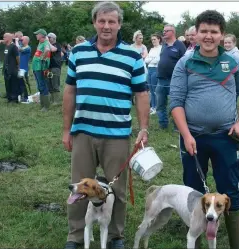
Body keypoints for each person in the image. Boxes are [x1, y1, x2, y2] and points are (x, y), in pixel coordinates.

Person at [62, 2, 149, 249]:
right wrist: (66, 130)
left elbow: (142, 94)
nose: (106, 26)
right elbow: (70, 91)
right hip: (83, 132)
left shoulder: (132, 55)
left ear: (119, 24)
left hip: (117, 135)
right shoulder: (78, 52)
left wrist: (144, 128)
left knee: (117, 190)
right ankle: (77, 236)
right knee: (80, 187)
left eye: (112, 21)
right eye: (102, 21)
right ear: (94, 23)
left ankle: (114, 236)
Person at [169, 10, 239, 249]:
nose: (208, 36)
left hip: (226, 137)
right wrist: (186, 135)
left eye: (213, 32)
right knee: (194, 190)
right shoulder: (184, 63)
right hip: (192, 137)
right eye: (203, 31)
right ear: (195, 34)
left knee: (230, 190)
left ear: (222, 35)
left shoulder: (234, 62)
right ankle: (194, 239)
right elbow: (175, 102)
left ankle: (235, 243)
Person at [156, 24, 186, 129]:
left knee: (176, 104)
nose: (163, 32)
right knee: (160, 104)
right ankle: (163, 124)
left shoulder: (180, 45)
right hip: (161, 79)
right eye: (163, 30)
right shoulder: (164, 45)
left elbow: (184, 62)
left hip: (174, 80)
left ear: (172, 32)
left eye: (166, 31)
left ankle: (177, 126)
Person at [32, 28, 52, 111]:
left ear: (41, 35)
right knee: (40, 86)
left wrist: (42, 58)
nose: (36, 35)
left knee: (42, 85)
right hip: (36, 67)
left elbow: (47, 49)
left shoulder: (45, 43)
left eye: (37, 34)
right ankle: (42, 104)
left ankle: (46, 106)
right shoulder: (40, 42)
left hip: (41, 68)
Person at [144, 33, 162, 115]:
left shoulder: (161, 48)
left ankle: (156, 107)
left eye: (154, 39)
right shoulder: (151, 49)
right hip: (149, 69)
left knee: (155, 90)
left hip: (156, 69)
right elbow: (146, 60)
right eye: (152, 40)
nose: (153, 41)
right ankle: (152, 106)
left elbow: (158, 60)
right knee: (150, 90)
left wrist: (151, 59)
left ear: (159, 39)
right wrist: (151, 59)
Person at [2, 33, 20, 103]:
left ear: (9, 38)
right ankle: (9, 97)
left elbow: (17, 57)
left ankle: (14, 98)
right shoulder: (6, 46)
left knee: (13, 84)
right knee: (7, 83)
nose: (3, 39)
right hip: (6, 68)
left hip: (12, 69)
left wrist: (18, 65)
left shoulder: (14, 46)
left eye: (4, 37)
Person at [47, 32, 63, 105]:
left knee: (55, 83)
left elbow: (53, 49)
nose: (48, 39)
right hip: (49, 67)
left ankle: (56, 101)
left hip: (55, 67)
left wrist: (47, 42)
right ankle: (51, 100)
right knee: (50, 84)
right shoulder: (48, 45)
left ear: (53, 38)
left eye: (49, 37)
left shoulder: (57, 45)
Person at [18, 36, 31, 103]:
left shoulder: (28, 47)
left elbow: (20, 49)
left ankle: (25, 97)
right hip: (20, 67)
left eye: (22, 40)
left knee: (23, 83)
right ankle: (21, 96)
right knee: (20, 83)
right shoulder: (22, 46)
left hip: (24, 68)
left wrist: (17, 42)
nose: (20, 41)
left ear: (26, 40)